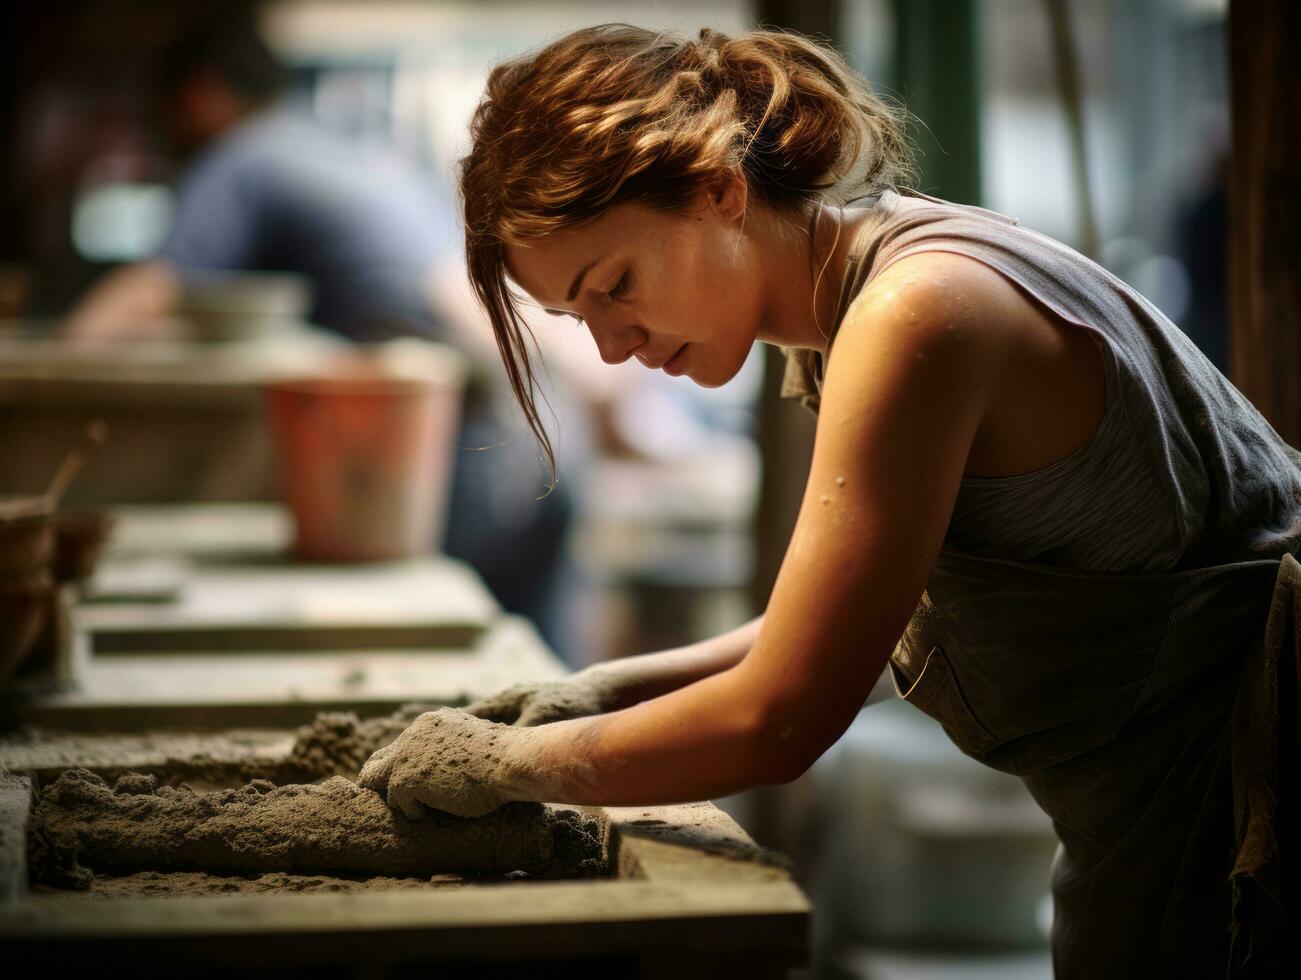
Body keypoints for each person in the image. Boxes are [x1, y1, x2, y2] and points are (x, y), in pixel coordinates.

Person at [357, 25, 1300, 978]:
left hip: (1241, 809)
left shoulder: (916, 309)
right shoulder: (852, 297)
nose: (609, 347)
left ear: (719, 188)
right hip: (1153, 813)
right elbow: (842, 625)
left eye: (618, 286)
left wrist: (508, 768)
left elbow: (783, 716)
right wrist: (601, 692)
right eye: (576, 317)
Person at [62, 15, 574, 645]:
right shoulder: (344, 145)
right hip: (549, 434)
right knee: (545, 685)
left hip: (466, 447)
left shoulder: (245, 157)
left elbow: (148, 291)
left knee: (439, 673)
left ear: (199, 94)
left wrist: (53, 358)